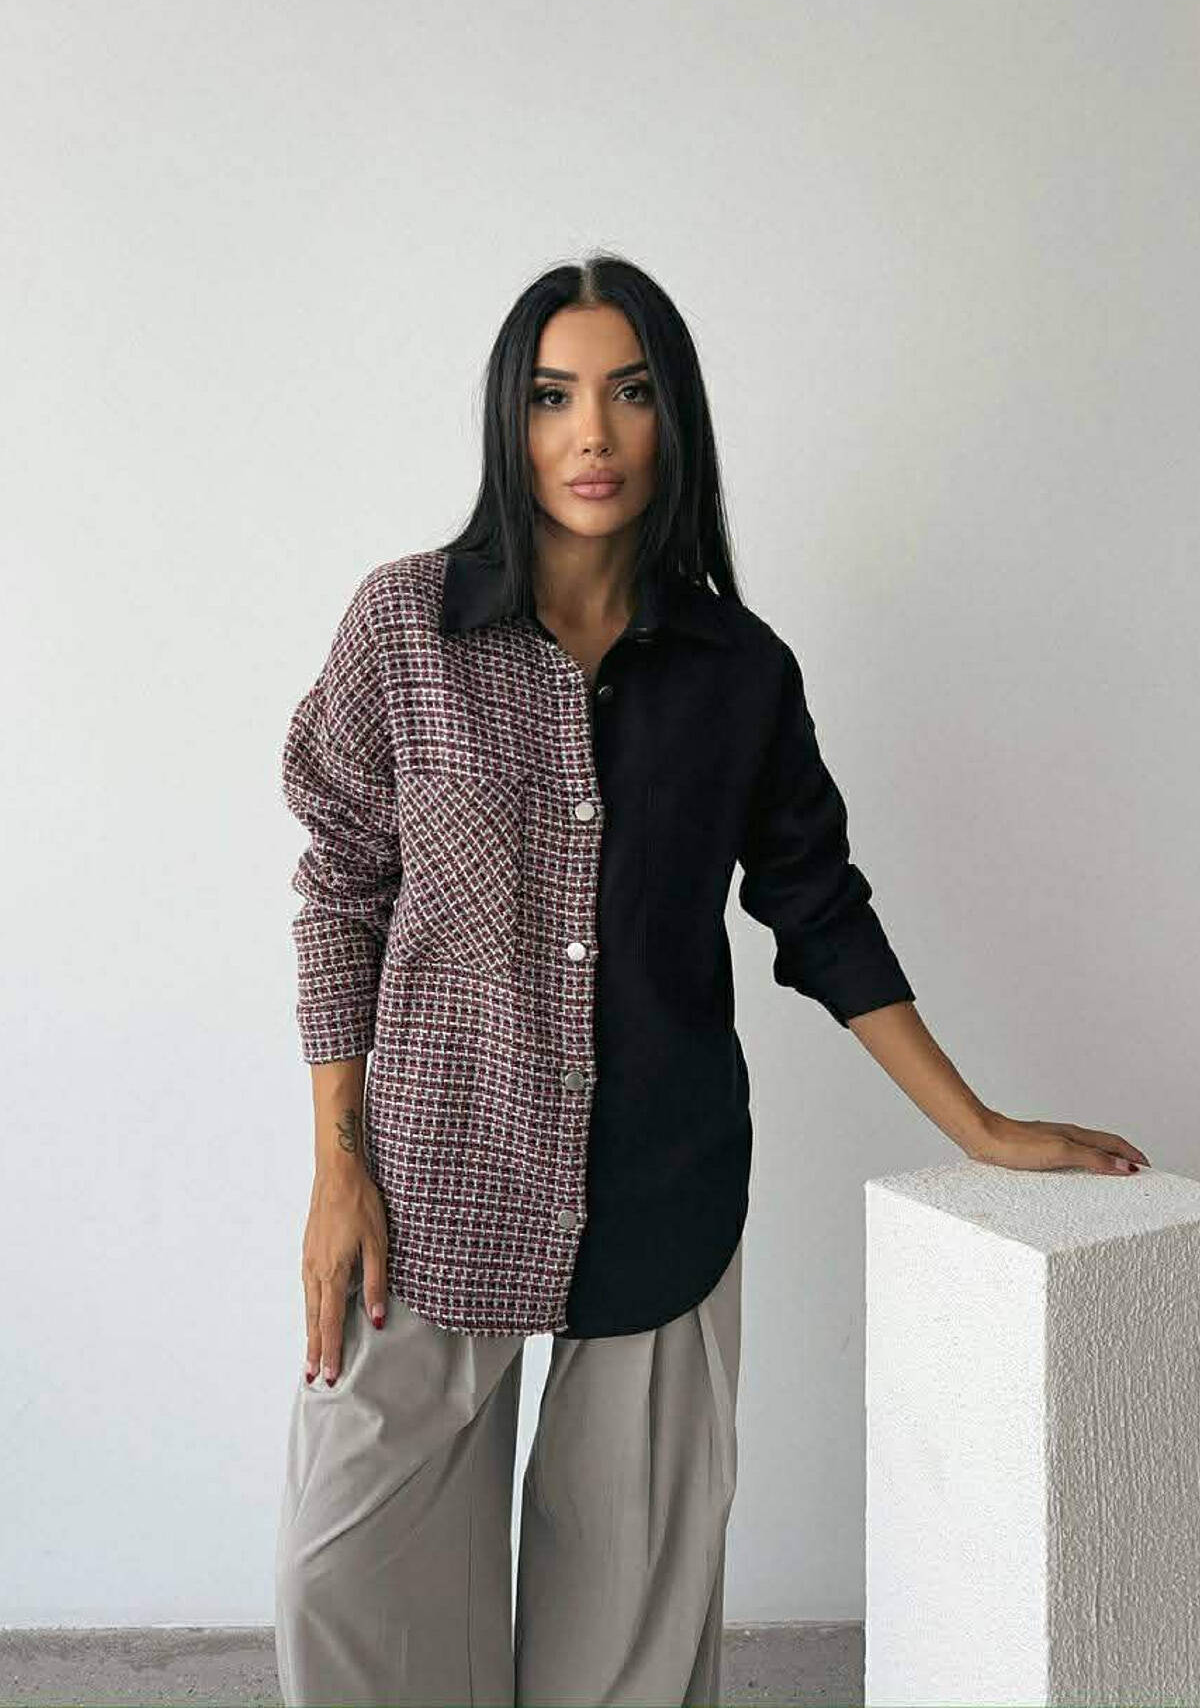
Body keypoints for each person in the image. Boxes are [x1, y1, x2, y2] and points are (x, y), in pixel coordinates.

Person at [272, 251, 1149, 1708]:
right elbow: (341, 893)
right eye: (552, 396)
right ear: (509, 419)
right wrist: (334, 1169)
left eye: (627, 394)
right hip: (429, 1182)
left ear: (672, 416)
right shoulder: (406, 627)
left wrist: (982, 1127)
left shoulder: (741, 670)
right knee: (346, 1586)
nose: (591, 435)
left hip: (662, 1188)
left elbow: (820, 912)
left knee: (628, 1648)